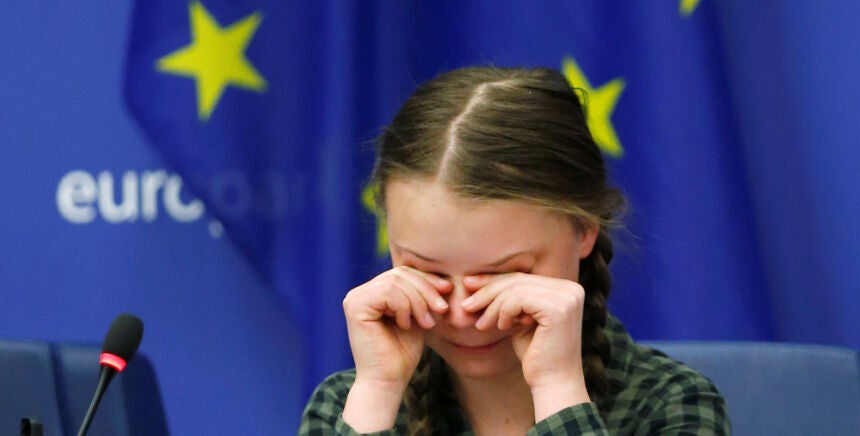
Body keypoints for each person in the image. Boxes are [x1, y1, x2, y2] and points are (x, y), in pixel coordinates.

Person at [299, 66, 729, 435]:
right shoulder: (347, 404)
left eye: (502, 275)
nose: (463, 314)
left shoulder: (672, 402)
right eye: (429, 273)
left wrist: (558, 388)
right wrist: (377, 394)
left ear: (584, 230)